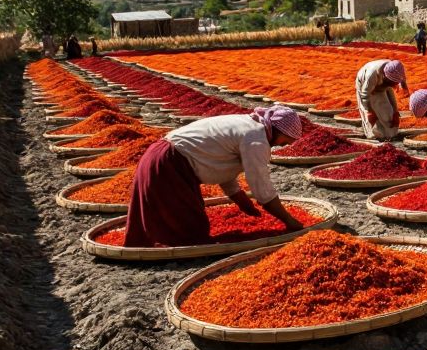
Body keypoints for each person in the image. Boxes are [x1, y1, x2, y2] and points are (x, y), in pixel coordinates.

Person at [124, 105, 305, 248]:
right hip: (169, 164)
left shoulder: (248, 124)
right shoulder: (256, 138)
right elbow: (261, 184)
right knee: (187, 230)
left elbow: (221, 162)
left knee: (175, 219)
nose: (283, 145)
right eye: (286, 140)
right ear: (277, 130)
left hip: (162, 156)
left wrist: (240, 199)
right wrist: (289, 221)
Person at [355, 58, 408, 140]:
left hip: (381, 83)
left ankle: (390, 135)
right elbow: (364, 95)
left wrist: (395, 112)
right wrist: (369, 112)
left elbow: (391, 93)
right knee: (370, 115)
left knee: (387, 110)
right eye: (392, 83)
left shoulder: (396, 69)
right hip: (364, 86)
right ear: (386, 77)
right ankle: (373, 136)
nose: (394, 85)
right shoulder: (371, 75)